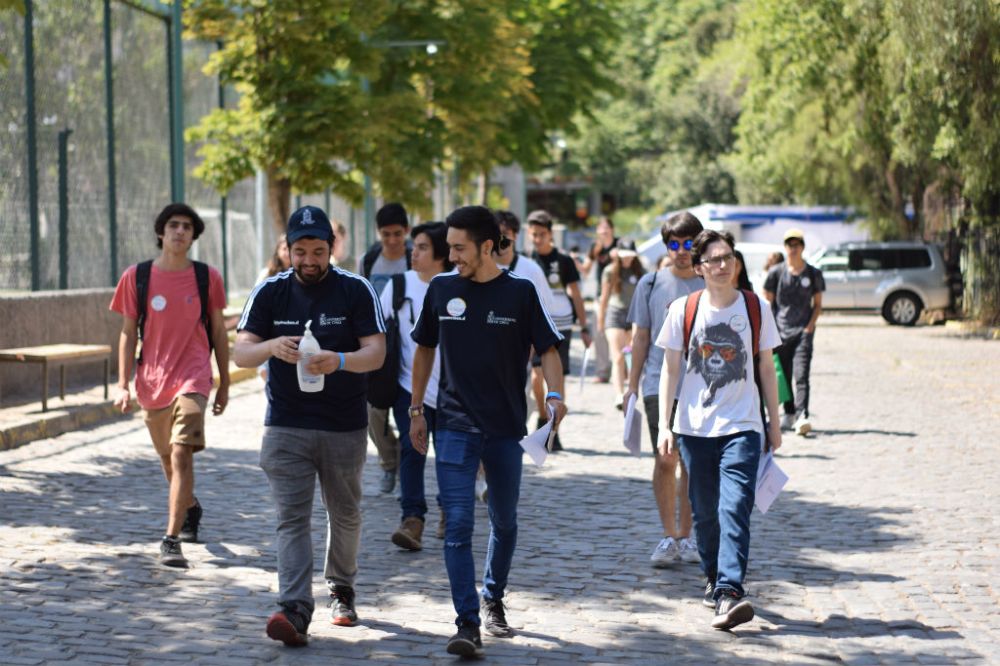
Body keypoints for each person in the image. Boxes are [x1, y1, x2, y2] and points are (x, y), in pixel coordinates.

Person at [409, 206, 566, 658]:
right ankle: (467, 622)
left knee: (504, 520)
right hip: (454, 425)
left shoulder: (520, 293)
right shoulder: (441, 289)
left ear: (486, 246)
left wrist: (554, 395)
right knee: (457, 523)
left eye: (459, 248)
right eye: (449, 247)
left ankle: (492, 595)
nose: (451, 255)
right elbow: (424, 350)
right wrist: (417, 409)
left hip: (505, 429)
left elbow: (549, 350)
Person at [233, 206, 386, 646]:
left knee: (345, 512)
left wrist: (338, 361)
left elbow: (375, 352)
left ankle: (341, 587)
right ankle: (295, 608)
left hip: (344, 425)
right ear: (287, 251)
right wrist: (269, 346)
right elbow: (241, 353)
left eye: (318, 251)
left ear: (331, 248)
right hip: (286, 424)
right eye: (300, 252)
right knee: (291, 518)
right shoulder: (269, 292)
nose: (309, 261)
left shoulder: (355, 290)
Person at [656, 229, 782, 631]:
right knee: (706, 514)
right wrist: (664, 424)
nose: (722, 265)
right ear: (699, 268)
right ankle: (713, 578)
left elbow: (766, 368)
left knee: (734, 508)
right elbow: (670, 370)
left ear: (737, 262)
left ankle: (731, 589)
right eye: (713, 260)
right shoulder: (683, 309)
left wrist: (774, 424)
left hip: (743, 425)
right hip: (693, 427)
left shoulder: (755, 307)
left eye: (728, 257)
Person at [109, 203, 229, 568]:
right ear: (161, 232)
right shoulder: (137, 276)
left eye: (187, 227)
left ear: (194, 236)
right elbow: (128, 333)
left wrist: (221, 382)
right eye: (173, 225)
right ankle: (189, 507)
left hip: (193, 376)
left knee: (180, 453)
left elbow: (219, 331)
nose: (180, 231)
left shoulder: (207, 277)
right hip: (152, 381)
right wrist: (122, 384)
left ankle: (170, 539)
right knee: (168, 460)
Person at [623, 212, 704, 568]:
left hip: (702, 386)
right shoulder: (651, 283)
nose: (682, 251)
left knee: (692, 463)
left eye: (689, 244)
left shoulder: (709, 283)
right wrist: (630, 385)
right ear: (666, 246)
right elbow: (640, 336)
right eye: (675, 244)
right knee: (665, 457)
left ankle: (687, 537)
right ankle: (668, 535)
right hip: (659, 383)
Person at [383, 222, 452, 551]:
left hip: (453, 390)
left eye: (423, 247)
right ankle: (412, 520)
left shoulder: (456, 286)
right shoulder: (398, 286)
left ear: (441, 253)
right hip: (407, 387)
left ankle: (448, 511)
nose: (414, 253)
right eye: (415, 246)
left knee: (449, 454)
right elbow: (378, 330)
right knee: (411, 450)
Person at [359, 202, 412, 494]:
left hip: (409, 347)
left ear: (406, 231)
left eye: (397, 234)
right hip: (376, 346)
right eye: (386, 234)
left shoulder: (418, 257)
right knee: (372, 413)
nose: (392, 240)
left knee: (407, 413)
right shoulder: (369, 261)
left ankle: (406, 467)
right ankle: (389, 461)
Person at [527, 209, 591, 450]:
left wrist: (584, 326)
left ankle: (554, 430)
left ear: (550, 234)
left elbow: (575, 293)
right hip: (534, 324)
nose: (537, 239)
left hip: (561, 325)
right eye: (533, 235)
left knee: (557, 378)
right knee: (536, 378)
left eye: (541, 234)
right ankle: (543, 417)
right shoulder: (526, 260)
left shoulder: (563, 261)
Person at [763, 229, 825, 436]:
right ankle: (788, 413)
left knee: (801, 374)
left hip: (803, 332)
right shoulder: (776, 273)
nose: (793, 248)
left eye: (797, 244)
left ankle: (802, 415)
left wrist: (810, 327)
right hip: (780, 331)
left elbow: (817, 305)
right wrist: (769, 329)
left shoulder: (813, 274)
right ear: (785, 247)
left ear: (803, 247)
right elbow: (767, 303)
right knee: (784, 375)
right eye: (790, 244)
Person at [598, 240, 645, 409]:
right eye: (624, 256)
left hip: (634, 315)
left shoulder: (641, 271)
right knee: (617, 356)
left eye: (630, 256)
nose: (627, 260)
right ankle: (619, 394)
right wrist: (600, 320)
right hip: (615, 313)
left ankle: (631, 390)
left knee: (631, 356)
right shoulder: (610, 271)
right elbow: (604, 297)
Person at [581, 216, 619, 383]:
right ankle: (603, 371)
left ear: (612, 229)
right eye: (600, 228)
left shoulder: (619, 245)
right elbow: (585, 270)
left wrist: (617, 257)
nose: (603, 231)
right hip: (600, 295)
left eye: (606, 228)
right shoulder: (595, 248)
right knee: (599, 331)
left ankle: (622, 369)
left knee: (620, 333)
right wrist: (574, 261)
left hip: (618, 295)